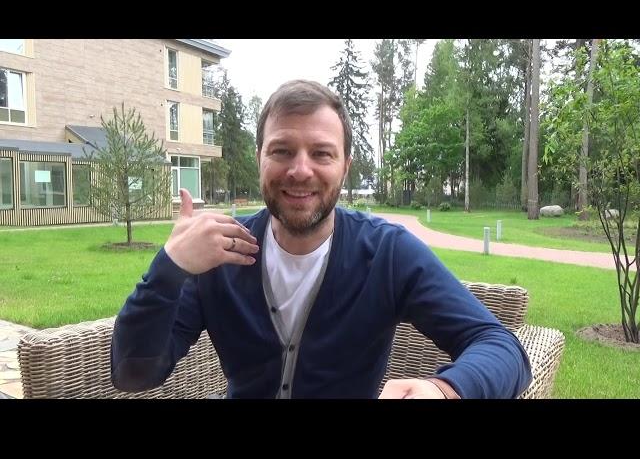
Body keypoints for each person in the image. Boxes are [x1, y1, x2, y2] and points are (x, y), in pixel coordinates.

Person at [111, 79, 532, 399]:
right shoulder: (218, 251)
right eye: (281, 151)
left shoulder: (387, 254)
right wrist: (169, 266)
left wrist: (444, 390)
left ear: (345, 165)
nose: (300, 170)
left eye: (321, 153)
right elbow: (133, 374)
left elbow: (502, 348)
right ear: (259, 158)